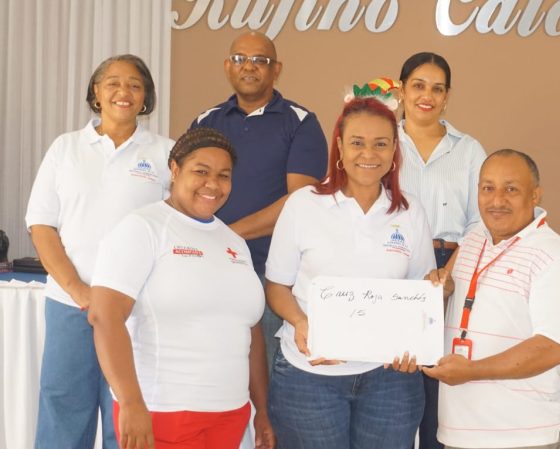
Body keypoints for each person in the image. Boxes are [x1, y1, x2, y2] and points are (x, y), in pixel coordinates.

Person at [265, 96, 436, 449]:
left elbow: (422, 290)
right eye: (357, 142)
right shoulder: (304, 204)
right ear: (340, 146)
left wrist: (419, 338)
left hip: (390, 379)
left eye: (381, 144)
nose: (368, 154)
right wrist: (300, 321)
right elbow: (277, 286)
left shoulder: (410, 212)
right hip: (310, 377)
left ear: (394, 151)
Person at [88, 128, 275, 449]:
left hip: (230, 414)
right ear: (174, 170)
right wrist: (131, 402)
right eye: (201, 171)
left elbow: (250, 331)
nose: (212, 184)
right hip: (161, 411)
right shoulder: (142, 227)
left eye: (223, 175)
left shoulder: (234, 242)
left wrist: (261, 411)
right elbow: (104, 317)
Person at [25, 54, 173, 449]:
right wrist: (78, 290)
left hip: (135, 309)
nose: (124, 92)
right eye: (113, 83)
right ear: (96, 91)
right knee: (63, 410)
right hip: (69, 305)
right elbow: (41, 225)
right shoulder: (65, 148)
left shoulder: (166, 153)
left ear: (146, 97)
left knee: (126, 416)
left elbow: (175, 229)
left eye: (135, 85)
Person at [424, 149, 560, 449]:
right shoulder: (473, 240)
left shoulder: (555, 256)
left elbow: (550, 349)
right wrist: (439, 291)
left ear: (535, 195)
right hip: (461, 433)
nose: (497, 200)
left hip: (528, 435)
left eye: (511, 189)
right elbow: (448, 303)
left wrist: (472, 371)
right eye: (488, 188)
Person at [190, 31, 328, 371]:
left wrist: (227, 234)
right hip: (209, 270)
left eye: (260, 60)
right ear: (228, 66)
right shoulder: (206, 122)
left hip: (271, 278)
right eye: (240, 59)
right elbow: (187, 192)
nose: (249, 66)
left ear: (276, 69)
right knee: (212, 370)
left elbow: (300, 202)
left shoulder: (301, 122)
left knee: (265, 379)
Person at [396, 53, 487, 449]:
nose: (427, 96)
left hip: (453, 268)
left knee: (440, 384)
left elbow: (481, 221)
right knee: (395, 380)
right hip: (395, 267)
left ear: (447, 96)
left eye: (437, 89)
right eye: (418, 85)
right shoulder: (383, 143)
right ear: (402, 90)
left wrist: (448, 275)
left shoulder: (468, 150)